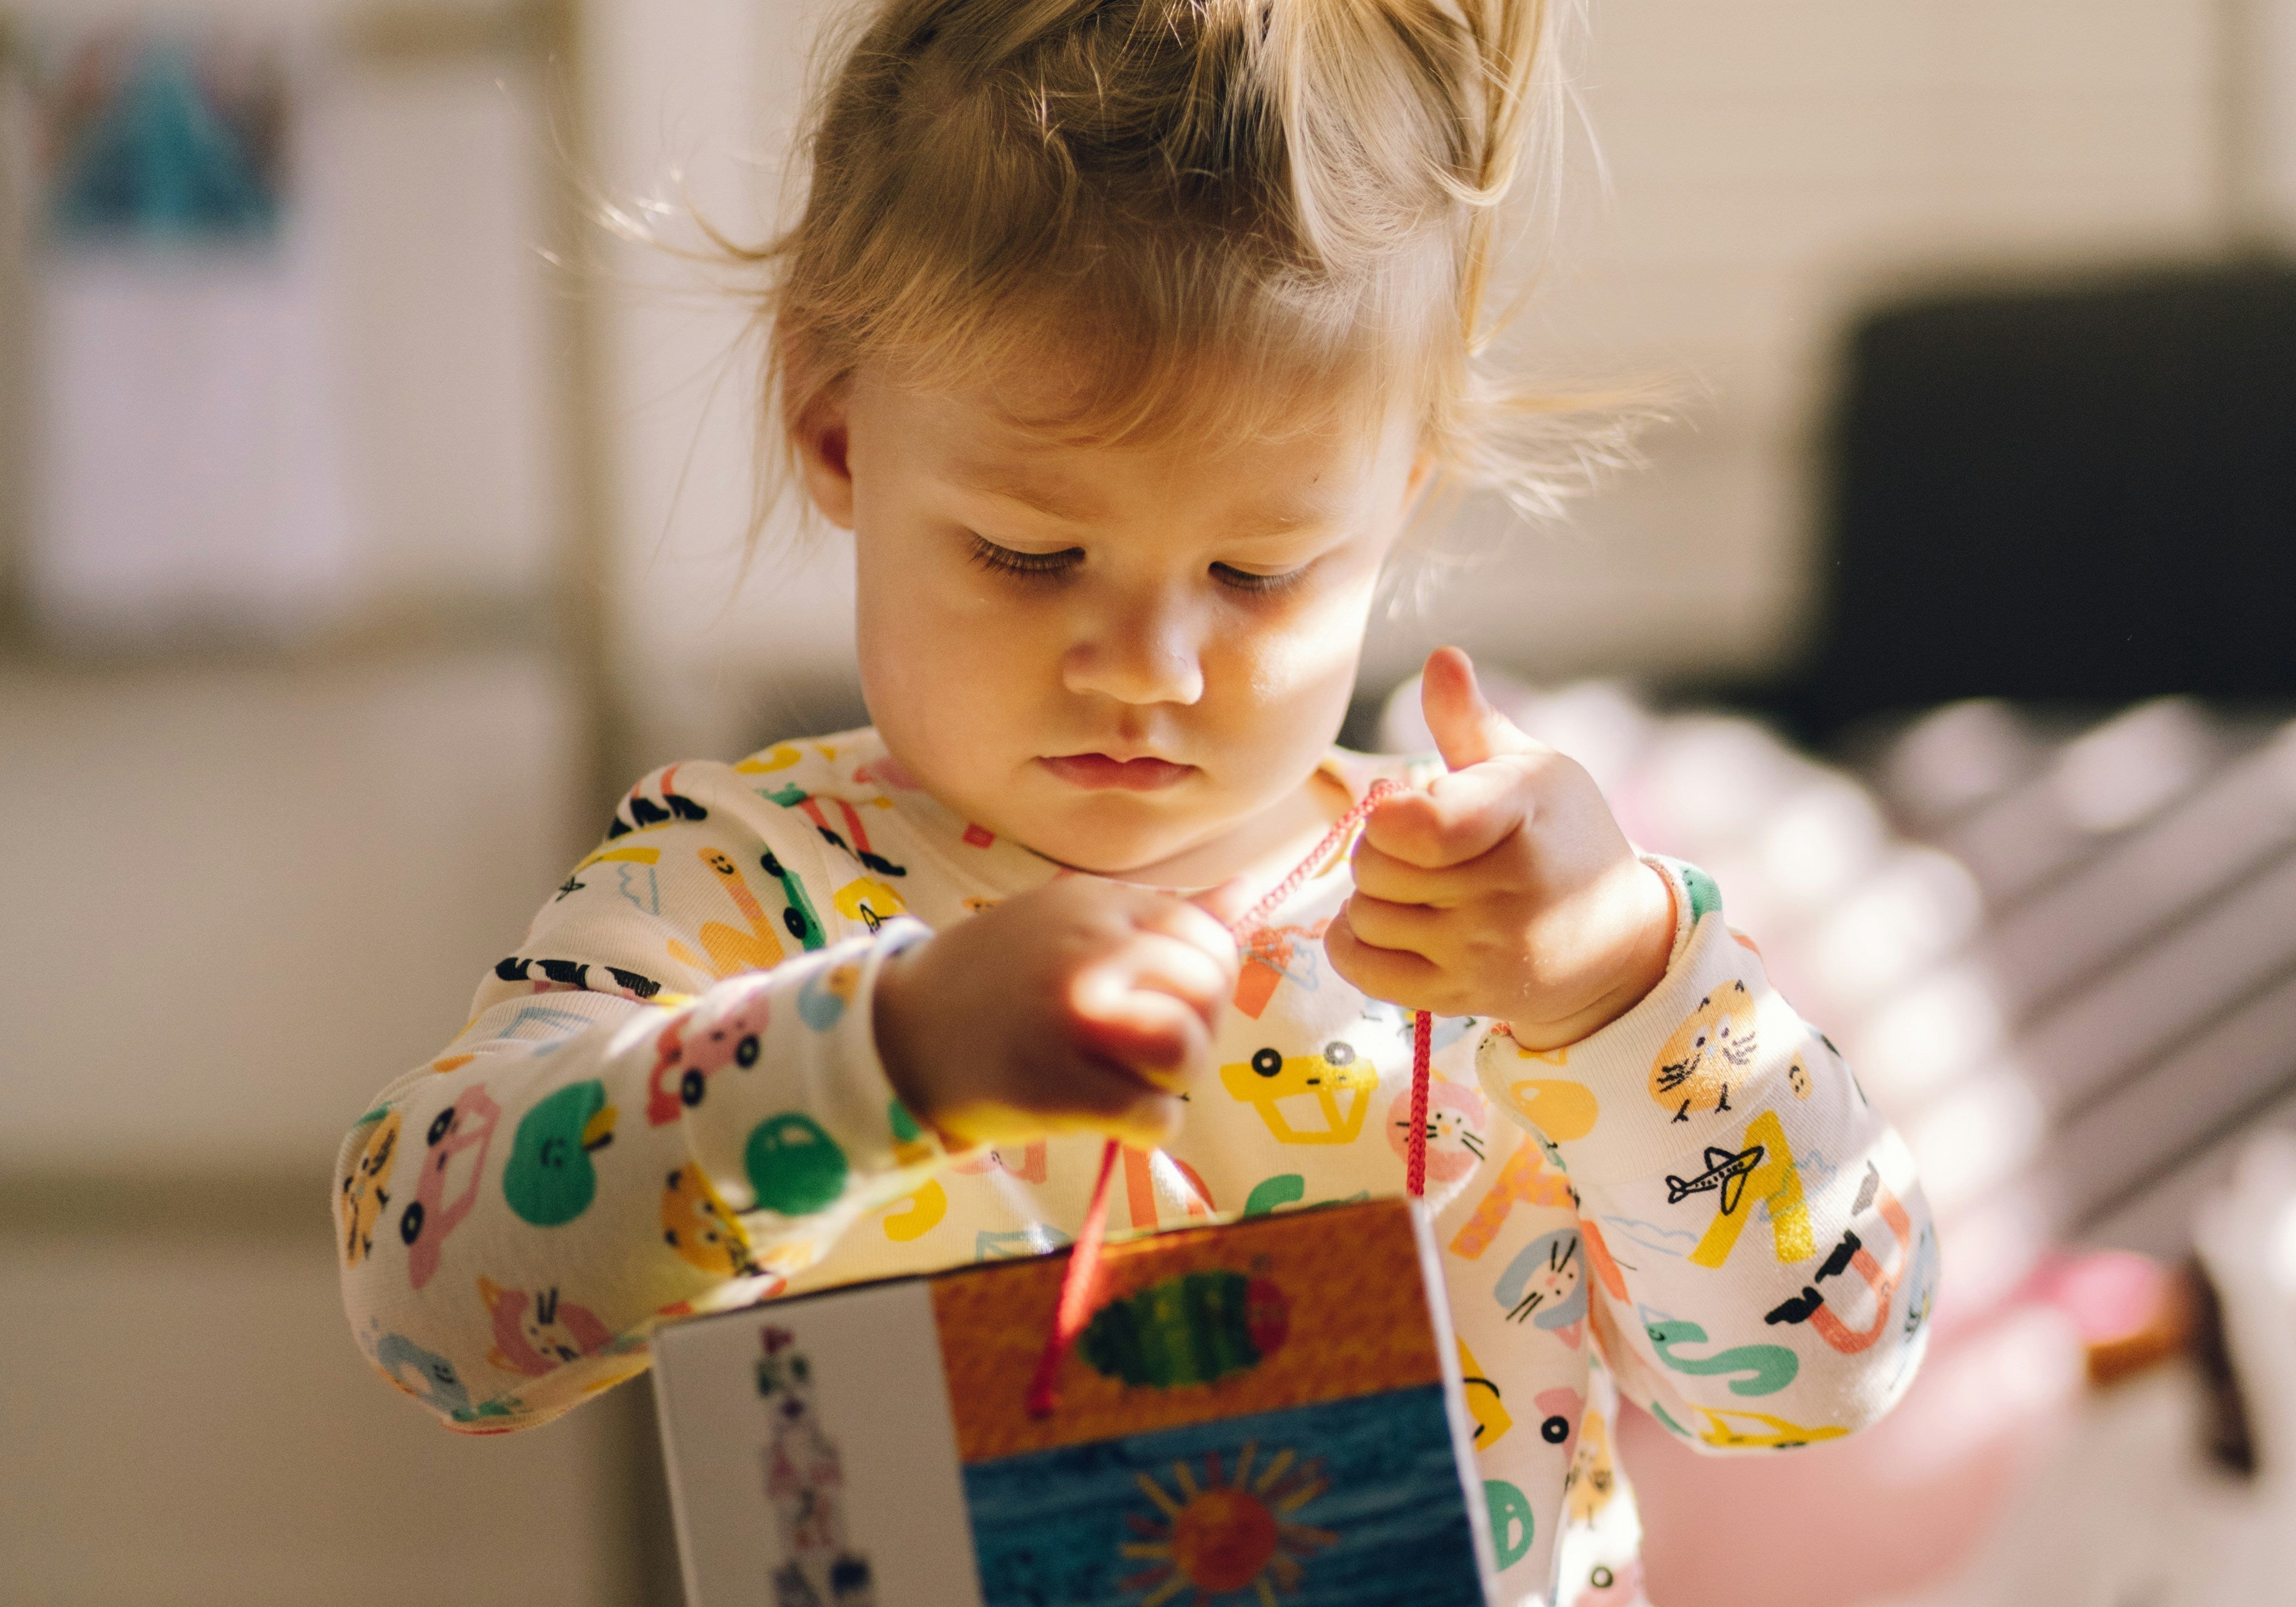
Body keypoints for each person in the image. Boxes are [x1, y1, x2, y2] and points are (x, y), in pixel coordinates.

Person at [334, 1, 1934, 1601]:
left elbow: (1815, 1379)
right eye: (1031, 556)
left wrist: (1629, 992)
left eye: (1257, 571)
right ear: (835, 426)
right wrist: (879, 1056)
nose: (1148, 668)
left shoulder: (1491, 933)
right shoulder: (745, 894)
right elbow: (435, 1311)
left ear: (1407, 483)